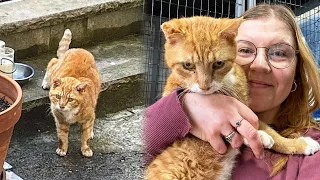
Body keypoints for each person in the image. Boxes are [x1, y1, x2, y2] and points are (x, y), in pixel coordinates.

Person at [143, 3, 320, 179]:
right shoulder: (174, 109)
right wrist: (184, 106)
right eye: (245, 50)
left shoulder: (313, 155)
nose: (260, 65)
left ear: (297, 69)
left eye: (279, 53)